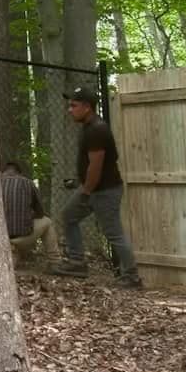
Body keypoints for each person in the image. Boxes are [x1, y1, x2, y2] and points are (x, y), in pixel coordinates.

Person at [52, 86, 142, 288]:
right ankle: (77, 263)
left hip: (104, 191)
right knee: (69, 216)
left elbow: (96, 165)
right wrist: (80, 183)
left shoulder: (97, 129)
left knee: (113, 233)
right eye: (69, 105)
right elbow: (91, 165)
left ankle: (132, 276)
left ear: (87, 107)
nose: (70, 109)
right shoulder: (89, 127)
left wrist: (85, 191)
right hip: (92, 188)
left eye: (74, 105)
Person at [0, 162, 62, 269]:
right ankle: (55, 261)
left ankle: (11, 253)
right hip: (23, 238)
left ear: (3, 172)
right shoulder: (28, 183)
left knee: (8, 265)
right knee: (47, 222)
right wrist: (27, 214)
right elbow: (40, 213)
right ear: (20, 173)